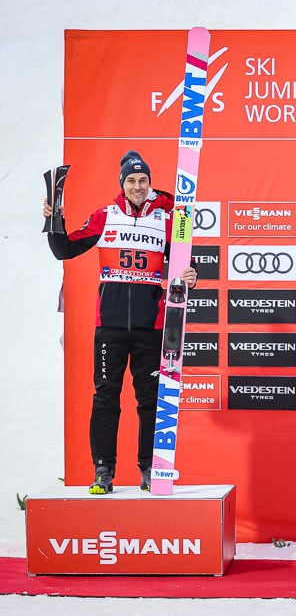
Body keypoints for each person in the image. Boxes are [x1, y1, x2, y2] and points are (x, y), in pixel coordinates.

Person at [43, 150, 197, 494]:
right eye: (131, 180)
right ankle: (103, 470)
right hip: (110, 327)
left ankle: (149, 469)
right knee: (106, 397)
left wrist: (191, 275)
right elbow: (64, 250)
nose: (138, 186)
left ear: (150, 183)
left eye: (143, 180)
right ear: (122, 184)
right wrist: (55, 220)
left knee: (150, 399)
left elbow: (185, 264)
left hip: (151, 326)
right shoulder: (105, 216)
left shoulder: (170, 219)